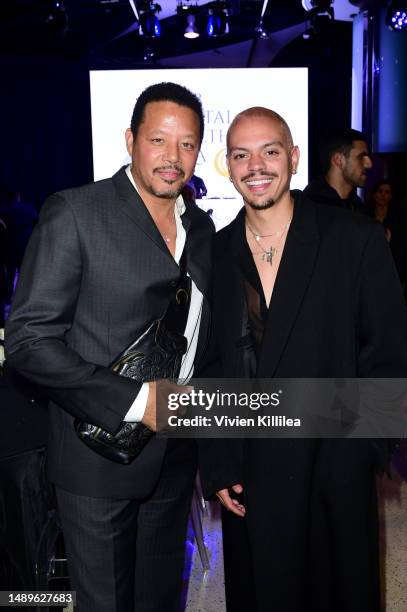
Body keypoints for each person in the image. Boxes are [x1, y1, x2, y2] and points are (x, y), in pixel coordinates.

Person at [5, 82, 214, 612]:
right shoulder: (75, 212)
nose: (173, 158)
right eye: (159, 140)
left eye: (187, 144)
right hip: (95, 454)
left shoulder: (203, 226)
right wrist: (137, 402)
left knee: (158, 596)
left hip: (174, 453)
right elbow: (29, 340)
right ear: (130, 140)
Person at [198, 107, 407, 611]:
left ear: (293, 158)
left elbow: (388, 351)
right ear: (228, 165)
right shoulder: (216, 253)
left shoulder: (352, 240)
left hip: (333, 463)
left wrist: (365, 452)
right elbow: (209, 365)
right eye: (242, 155)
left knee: (337, 591)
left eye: (270, 151)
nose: (256, 166)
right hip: (252, 467)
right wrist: (220, 461)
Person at [304, 128, 372, 214]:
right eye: (361, 157)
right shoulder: (310, 207)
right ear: (338, 160)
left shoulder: (359, 207)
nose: (369, 164)